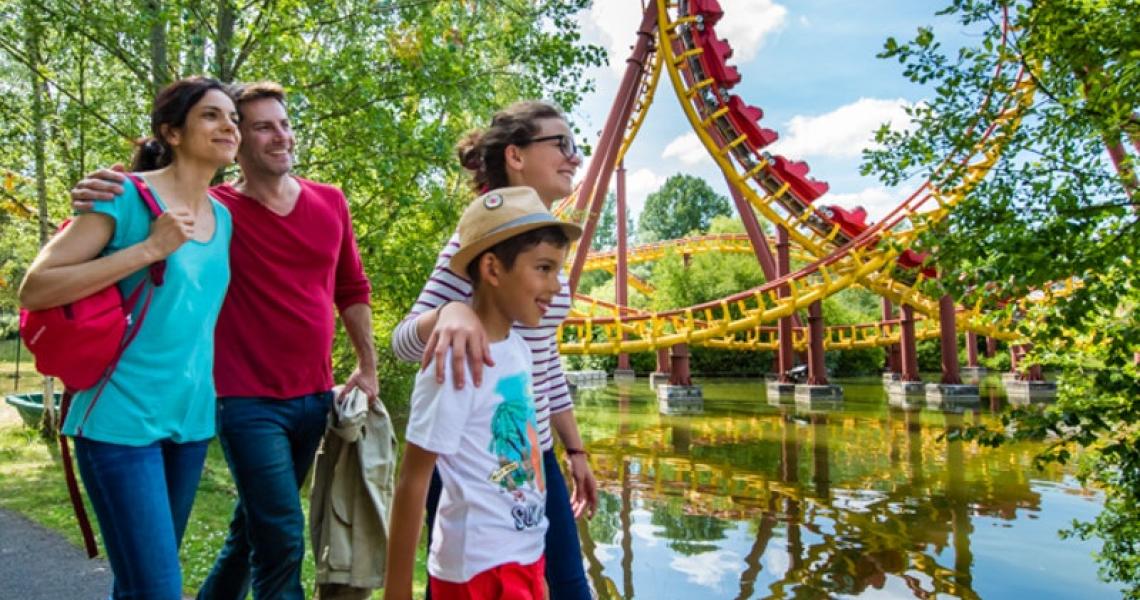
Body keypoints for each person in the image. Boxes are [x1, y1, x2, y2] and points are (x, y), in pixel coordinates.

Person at [69, 81, 377, 600]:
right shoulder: (213, 209)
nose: (280, 136)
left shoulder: (329, 201)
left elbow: (352, 286)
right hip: (242, 400)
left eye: (283, 123)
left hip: (314, 395)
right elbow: (153, 196)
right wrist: (102, 188)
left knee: (248, 533)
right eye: (262, 126)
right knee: (281, 535)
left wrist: (366, 366)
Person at [20, 76, 238, 600]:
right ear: (173, 131)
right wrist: (148, 250)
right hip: (119, 421)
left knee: (138, 586)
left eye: (232, 116)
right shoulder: (125, 199)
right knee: (160, 589)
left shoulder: (224, 216)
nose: (228, 125)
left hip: (189, 424)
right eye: (211, 115)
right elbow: (35, 289)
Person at [390, 100, 598, 599]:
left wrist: (576, 448)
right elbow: (402, 342)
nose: (575, 157)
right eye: (562, 144)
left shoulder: (540, 249)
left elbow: (543, 360)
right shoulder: (480, 245)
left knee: (562, 582)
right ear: (516, 156)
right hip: (475, 460)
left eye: (577, 146)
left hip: (533, 448)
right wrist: (449, 313)